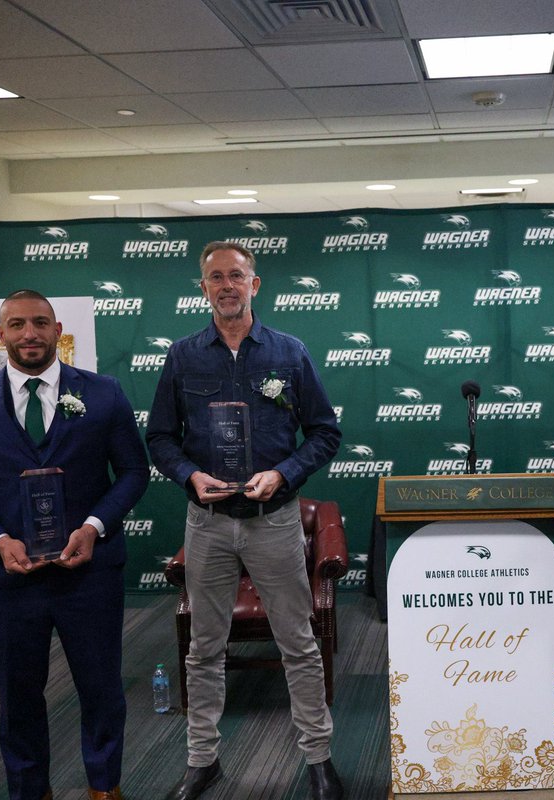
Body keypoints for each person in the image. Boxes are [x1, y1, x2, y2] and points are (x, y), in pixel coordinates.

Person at [0, 290, 149, 800]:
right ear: (1, 333)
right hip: (9, 578)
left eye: (41, 323)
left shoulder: (105, 392)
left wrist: (94, 526)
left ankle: (105, 787)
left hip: (88, 574)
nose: (30, 333)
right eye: (18, 324)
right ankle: (30, 790)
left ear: (57, 330)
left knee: (101, 689)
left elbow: (133, 472)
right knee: (18, 697)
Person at [147, 241, 343, 800]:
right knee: (204, 649)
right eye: (216, 277)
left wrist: (283, 474)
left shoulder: (289, 351)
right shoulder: (184, 356)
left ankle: (319, 758)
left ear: (255, 284)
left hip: (274, 521)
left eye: (237, 275)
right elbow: (159, 436)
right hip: (207, 523)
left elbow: (325, 432)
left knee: (299, 644)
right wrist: (189, 476)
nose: (227, 285)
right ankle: (201, 760)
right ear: (203, 288)